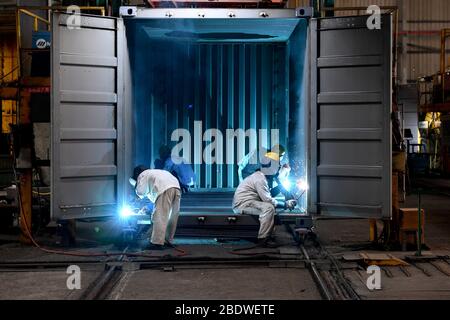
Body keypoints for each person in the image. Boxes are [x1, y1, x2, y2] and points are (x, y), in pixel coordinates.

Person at [232, 163, 297, 248]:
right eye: (277, 169)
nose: (277, 172)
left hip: (250, 201)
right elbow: (268, 200)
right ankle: (263, 240)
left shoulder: (261, 176)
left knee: (270, 208)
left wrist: (280, 187)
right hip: (243, 204)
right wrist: (286, 204)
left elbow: (267, 194)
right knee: (269, 208)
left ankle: (269, 235)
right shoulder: (260, 179)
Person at [129, 166, 181, 250]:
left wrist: (136, 192)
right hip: (176, 187)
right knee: (172, 217)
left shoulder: (143, 175)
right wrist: (148, 207)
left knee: (159, 217)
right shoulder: (155, 173)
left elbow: (140, 192)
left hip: (165, 189)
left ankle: (156, 242)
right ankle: (168, 240)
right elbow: (158, 199)